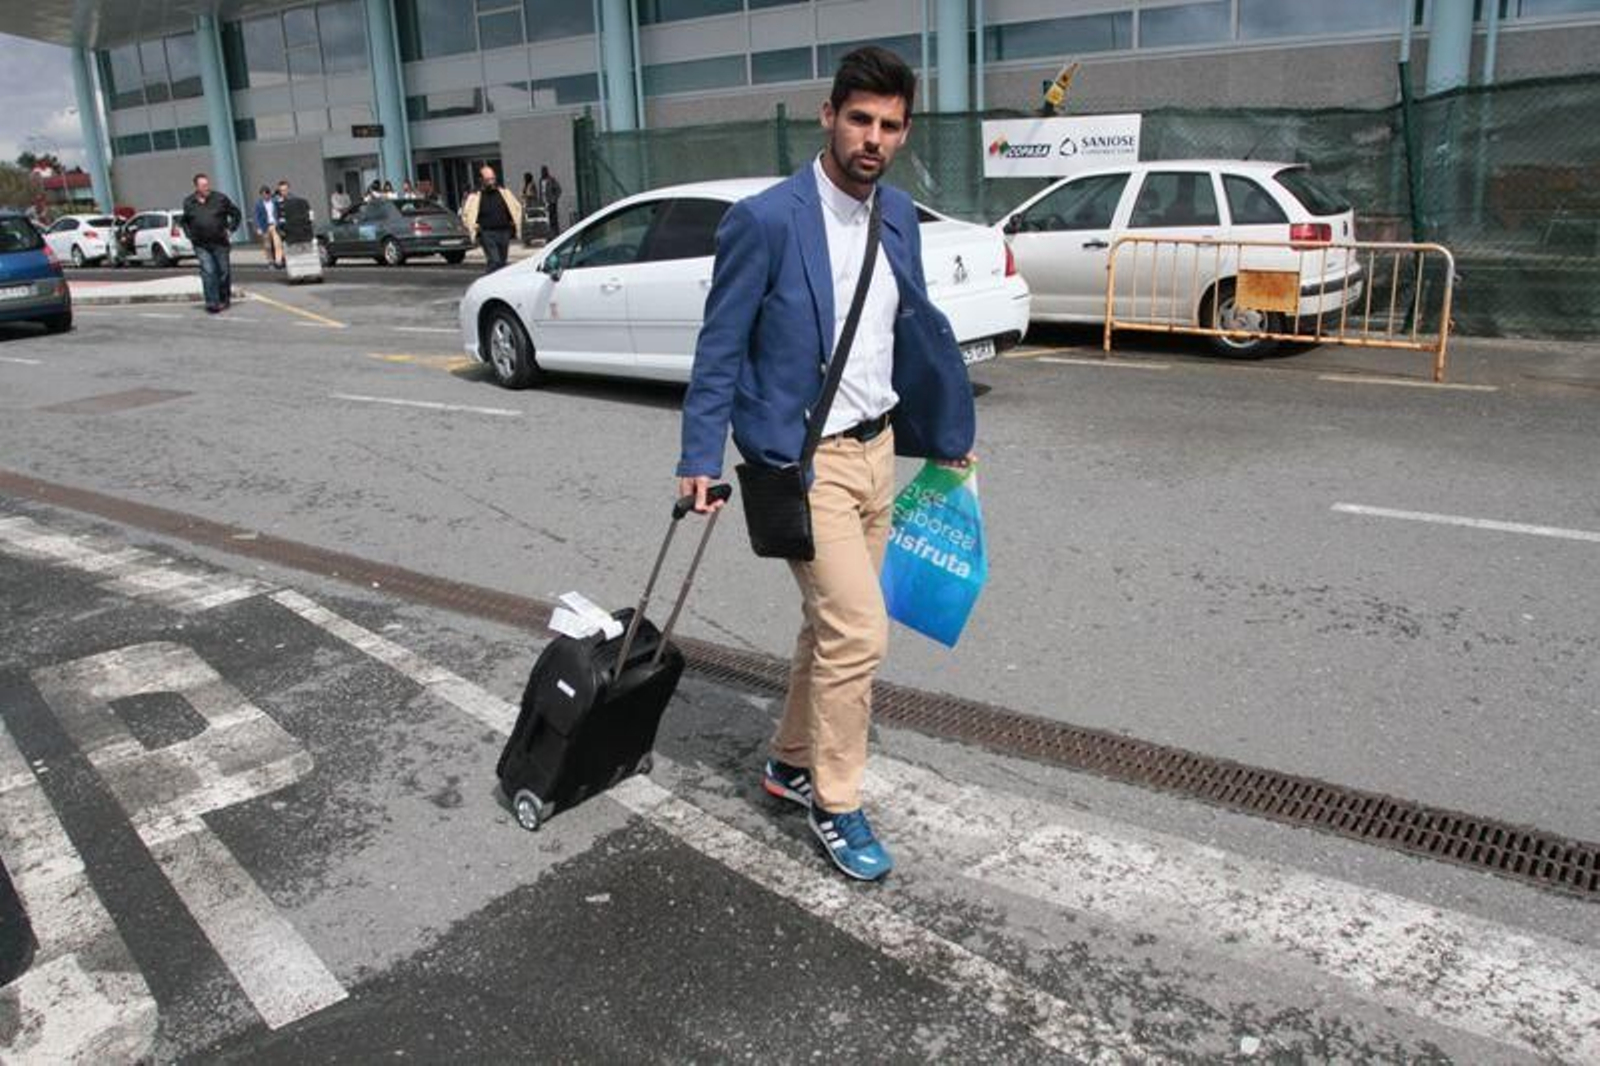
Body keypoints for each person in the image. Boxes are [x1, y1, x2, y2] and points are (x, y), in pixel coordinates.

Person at [675, 47, 975, 883]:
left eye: (889, 125)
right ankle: (835, 803)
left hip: (880, 449)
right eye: (859, 119)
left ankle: (790, 760)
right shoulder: (767, 220)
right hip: (808, 465)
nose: (872, 138)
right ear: (828, 116)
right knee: (859, 633)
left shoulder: (900, 215)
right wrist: (701, 455)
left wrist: (946, 429)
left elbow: (910, 331)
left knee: (830, 629)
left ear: (903, 132)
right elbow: (720, 348)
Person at [179, 173, 242, 314]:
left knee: (223, 272)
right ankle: (212, 303)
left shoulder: (220, 199)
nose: (207, 187)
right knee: (208, 272)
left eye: (207, 184)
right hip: (201, 244)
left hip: (220, 243)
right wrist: (190, 236)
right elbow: (184, 221)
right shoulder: (189, 202)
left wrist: (231, 229)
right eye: (203, 185)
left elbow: (236, 214)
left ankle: (224, 299)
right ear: (196, 187)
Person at [461, 165, 521, 273]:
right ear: (481, 180)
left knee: (502, 262)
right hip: (487, 233)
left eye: (493, 179)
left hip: (504, 231)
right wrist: (475, 227)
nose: (491, 182)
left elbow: (517, 207)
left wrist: (514, 222)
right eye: (488, 180)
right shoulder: (475, 196)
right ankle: (486, 282)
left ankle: (498, 284)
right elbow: (466, 214)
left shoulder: (504, 192)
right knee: (495, 261)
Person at [252, 185, 280, 267]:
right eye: (262, 195)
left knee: (277, 244)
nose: (264, 196)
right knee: (267, 245)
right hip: (265, 226)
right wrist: (258, 228)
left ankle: (278, 261)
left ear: (269, 194)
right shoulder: (258, 204)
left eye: (266, 194)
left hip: (274, 225)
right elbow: (256, 216)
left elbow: (278, 212)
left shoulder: (274, 201)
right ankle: (270, 261)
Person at [538, 165, 562, 235]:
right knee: (545, 220)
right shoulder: (541, 180)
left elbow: (559, 190)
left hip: (551, 202)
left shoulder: (551, 179)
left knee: (553, 219)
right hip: (543, 202)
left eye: (544, 171)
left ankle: (555, 233)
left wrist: (554, 199)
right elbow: (540, 191)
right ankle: (548, 234)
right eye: (542, 171)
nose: (543, 172)